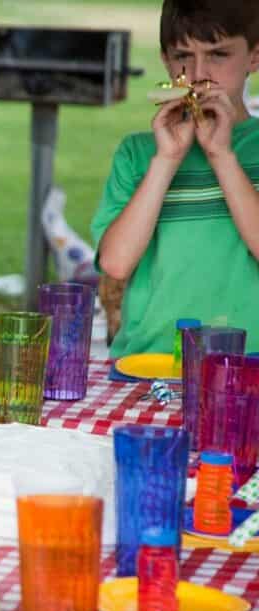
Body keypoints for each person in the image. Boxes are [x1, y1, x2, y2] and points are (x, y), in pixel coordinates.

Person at [91, 0, 259, 356]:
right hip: (149, 360)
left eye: (218, 54)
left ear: (254, 57)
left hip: (248, 361)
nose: (199, 73)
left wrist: (222, 156)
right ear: (166, 61)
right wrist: (166, 159)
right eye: (183, 56)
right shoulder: (137, 154)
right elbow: (116, 264)